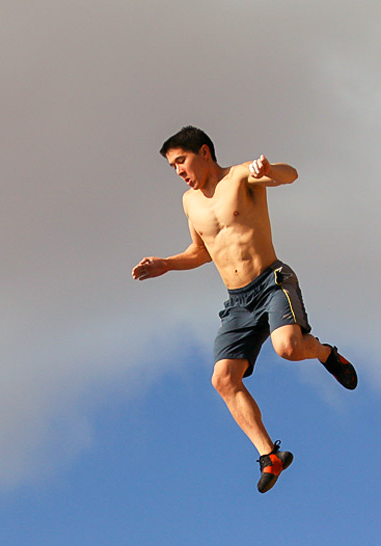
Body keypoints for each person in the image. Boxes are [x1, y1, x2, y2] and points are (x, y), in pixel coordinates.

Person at [132, 126, 357, 493]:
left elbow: (291, 175)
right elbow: (201, 251)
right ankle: (270, 455)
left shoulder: (239, 177)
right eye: (172, 167)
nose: (179, 172)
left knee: (288, 348)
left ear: (204, 152)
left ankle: (324, 352)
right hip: (238, 301)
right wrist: (167, 264)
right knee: (223, 379)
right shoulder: (190, 203)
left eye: (181, 162)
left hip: (272, 281)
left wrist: (267, 170)